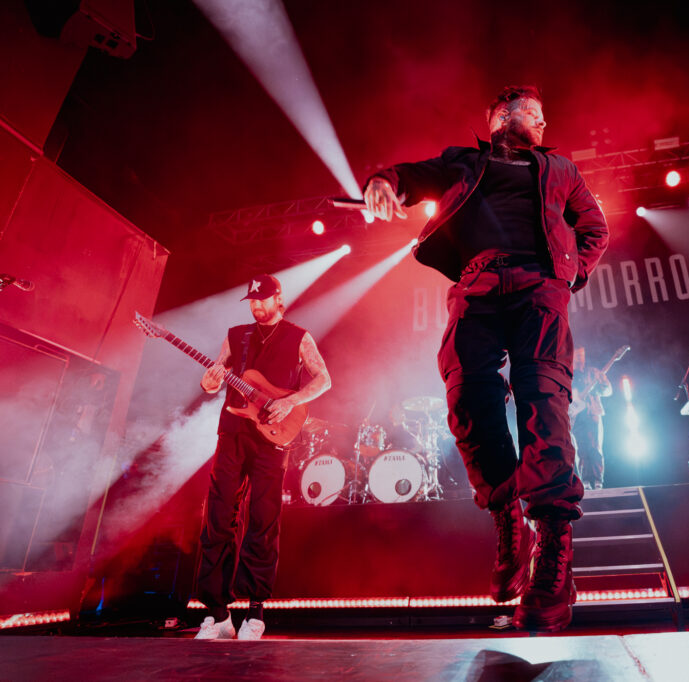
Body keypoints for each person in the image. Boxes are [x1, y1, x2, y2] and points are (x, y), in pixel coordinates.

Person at [363, 85, 608, 631]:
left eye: (544, 119)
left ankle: (553, 556)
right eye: (532, 116)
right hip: (476, 284)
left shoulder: (561, 168)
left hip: (540, 286)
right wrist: (384, 181)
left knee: (543, 399)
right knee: (466, 396)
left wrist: (571, 275)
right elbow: (411, 176)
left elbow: (595, 227)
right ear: (501, 117)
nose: (542, 125)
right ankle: (506, 515)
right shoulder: (463, 162)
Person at [194, 274, 331, 641]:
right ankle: (217, 613)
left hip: (272, 436)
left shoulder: (298, 336)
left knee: (263, 518)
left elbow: (323, 379)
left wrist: (289, 401)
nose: (256, 306)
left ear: (278, 299)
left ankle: (255, 612)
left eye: (262, 300)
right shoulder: (236, 335)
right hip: (233, 431)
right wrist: (209, 383)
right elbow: (214, 378)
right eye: (252, 300)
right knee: (219, 513)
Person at [571, 347, 612, 489]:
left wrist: (602, 383)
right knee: (581, 448)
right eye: (576, 355)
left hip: (592, 411)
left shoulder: (593, 372)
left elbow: (607, 391)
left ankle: (598, 480)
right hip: (576, 415)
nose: (579, 358)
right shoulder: (567, 374)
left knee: (595, 446)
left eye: (581, 355)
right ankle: (585, 482)